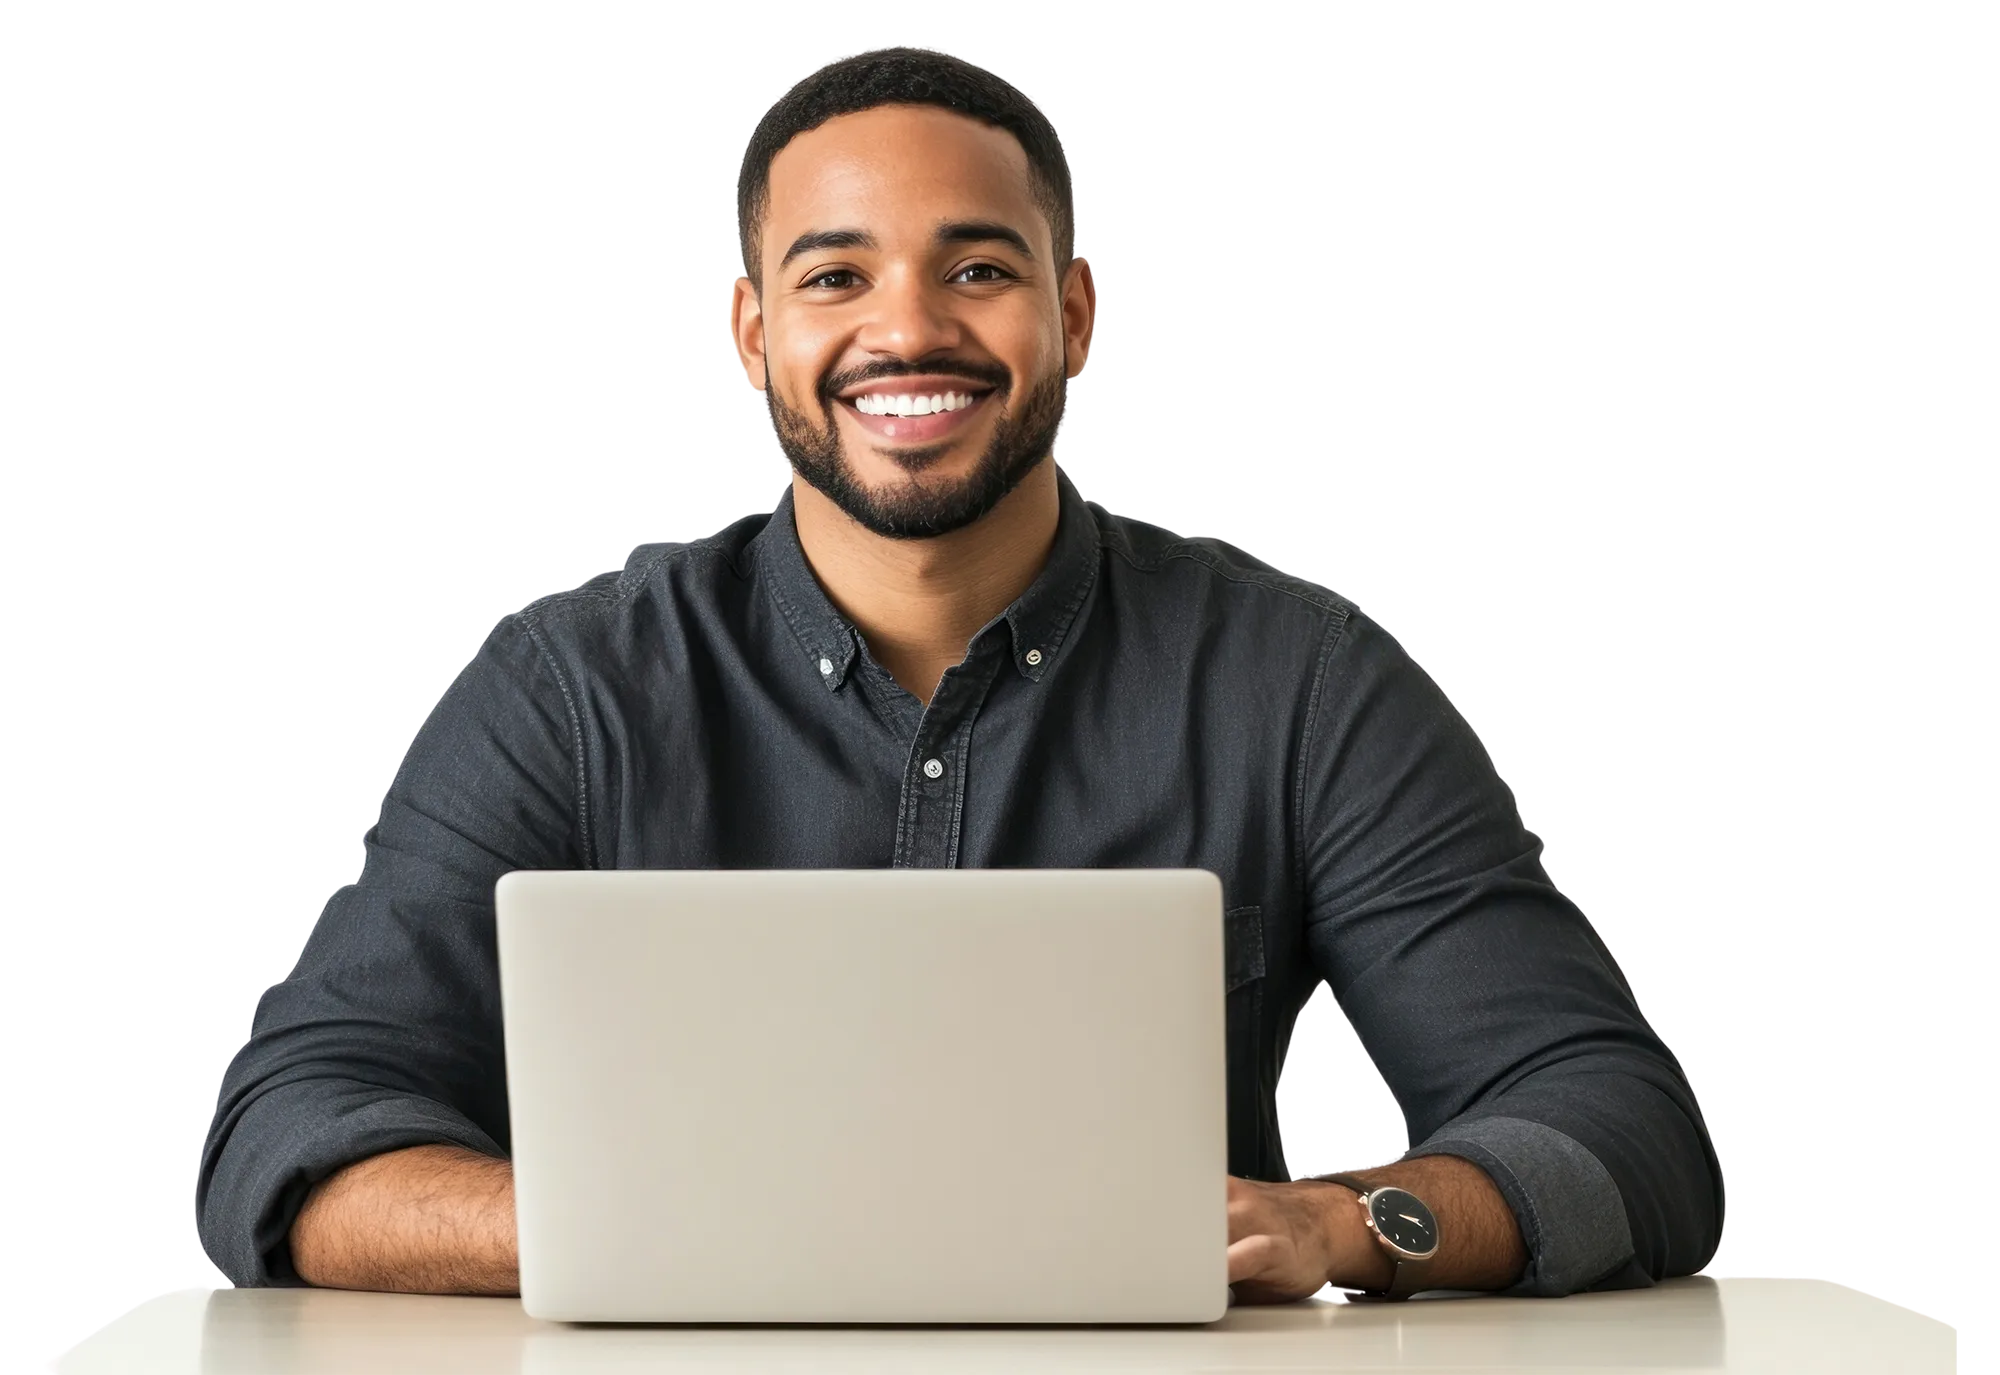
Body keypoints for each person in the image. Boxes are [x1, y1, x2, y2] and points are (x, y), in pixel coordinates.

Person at [195, 41, 1725, 1305]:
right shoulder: (566, 688)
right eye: (834, 278)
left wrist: (1353, 1222)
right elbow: (289, 1130)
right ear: (753, 333)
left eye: (976, 267)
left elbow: (1622, 1128)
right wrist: (608, 1224)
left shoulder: (1303, 682)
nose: (906, 329)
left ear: (1074, 312)